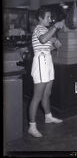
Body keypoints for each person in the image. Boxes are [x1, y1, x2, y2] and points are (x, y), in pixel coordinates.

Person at [28, 7, 64, 137]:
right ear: (40, 18)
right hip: (40, 61)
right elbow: (43, 40)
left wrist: (55, 44)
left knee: (47, 93)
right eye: (47, 17)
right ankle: (32, 126)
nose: (50, 19)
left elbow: (46, 44)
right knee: (37, 96)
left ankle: (48, 117)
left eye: (50, 17)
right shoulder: (38, 28)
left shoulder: (46, 30)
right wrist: (55, 28)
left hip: (47, 60)